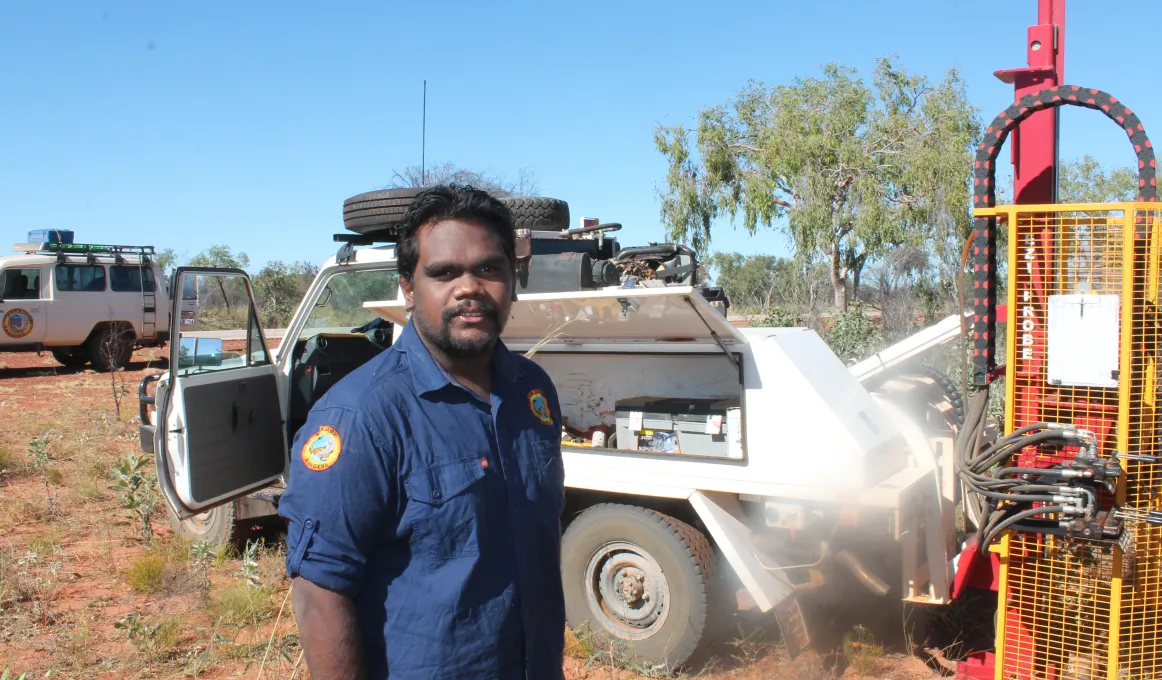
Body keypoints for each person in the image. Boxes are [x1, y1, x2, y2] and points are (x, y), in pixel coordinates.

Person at [278, 185, 567, 680]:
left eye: (489, 269)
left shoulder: (532, 393)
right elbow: (320, 593)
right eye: (444, 272)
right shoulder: (361, 417)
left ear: (513, 282)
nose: (469, 287)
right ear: (408, 288)